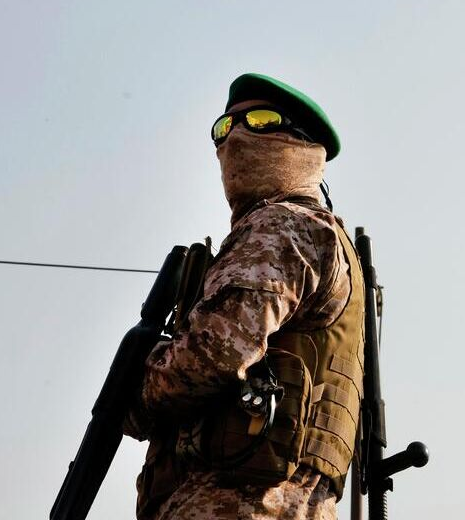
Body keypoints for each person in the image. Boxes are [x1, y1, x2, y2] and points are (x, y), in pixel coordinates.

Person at [125, 73, 365, 520]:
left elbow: (213, 354)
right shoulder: (313, 235)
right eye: (223, 127)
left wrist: (134, 389)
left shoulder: (284, 225)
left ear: (300, 143)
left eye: (260, 120)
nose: (235, 136)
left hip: (246, 506)